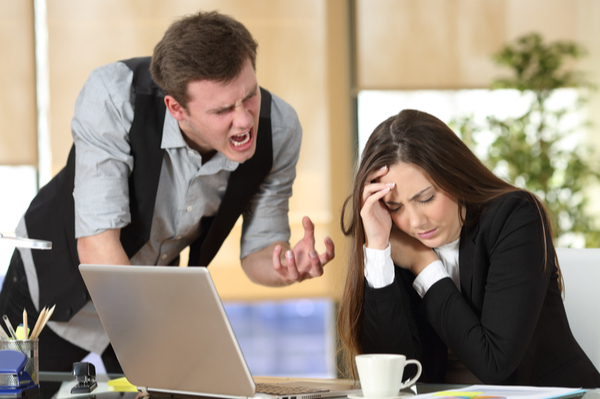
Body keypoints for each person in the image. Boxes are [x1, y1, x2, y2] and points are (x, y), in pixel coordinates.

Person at [0, 11, 334, 373]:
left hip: (144, 296)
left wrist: (285, 266)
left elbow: (260, 252)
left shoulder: (279, 130)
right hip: (50, 289)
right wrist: (163, 342)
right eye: (223, 110)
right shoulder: (115, 97)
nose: (245, 120)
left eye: (250, 96)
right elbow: (97, 245)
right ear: (176, 108)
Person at [337, 109, 600, 387]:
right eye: (395, 206)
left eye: (426, 198)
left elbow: (494, 365)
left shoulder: (514, 216)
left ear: (454, 176)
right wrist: (378, 251)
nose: (415, 222)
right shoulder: (397, 234)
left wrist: (423, 265)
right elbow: (396, 376)